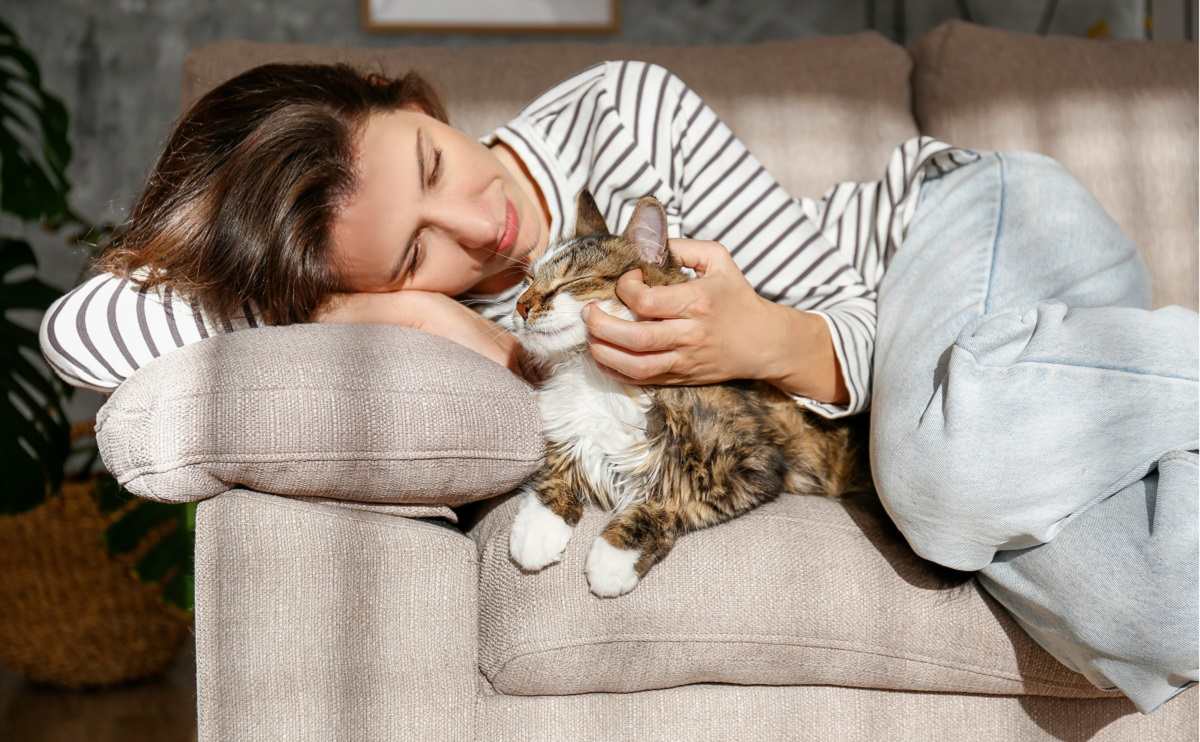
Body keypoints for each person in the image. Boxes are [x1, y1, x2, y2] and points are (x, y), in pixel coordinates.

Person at [38, 60, 1197, 713]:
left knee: (949, 473)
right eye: (414, 251)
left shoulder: (621, 116)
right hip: (1050, 381)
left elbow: (852, 314)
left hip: (959, 240)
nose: (478, 223)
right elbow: (83, 331)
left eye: (435, 165)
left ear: (418, 104)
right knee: (1146, 616)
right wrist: (369, 307)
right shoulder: (466, 313)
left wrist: (757, 337)